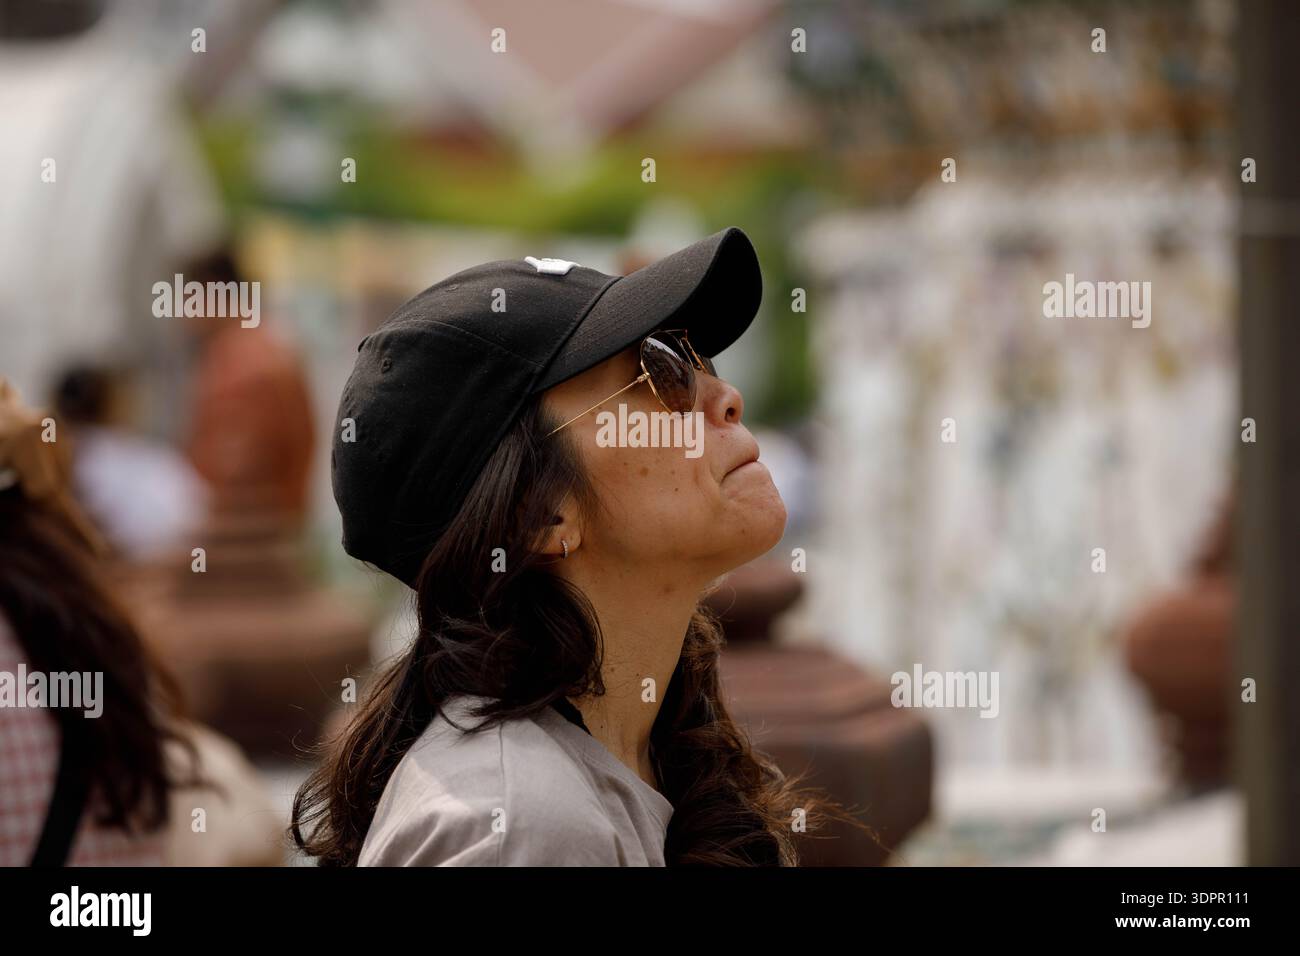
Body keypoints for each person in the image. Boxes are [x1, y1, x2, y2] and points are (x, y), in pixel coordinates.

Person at [292, 227, 872, 866]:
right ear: (537, 514)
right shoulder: (521, 824)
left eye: (691, 357)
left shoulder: (639, 761)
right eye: (657, 374)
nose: (724, 397)